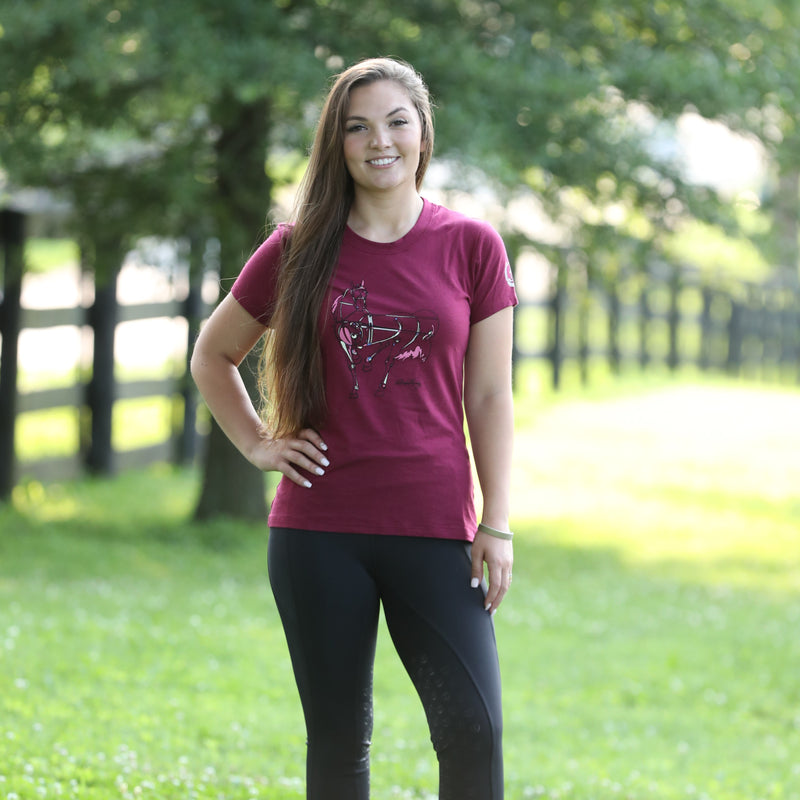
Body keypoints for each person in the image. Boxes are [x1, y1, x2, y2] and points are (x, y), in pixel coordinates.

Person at [191, 56, 517, 800]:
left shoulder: (472, 246)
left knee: (475, 729)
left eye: (397, 121)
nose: (381, 141)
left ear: (423, 133)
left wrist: (496, 522)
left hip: (435, 526)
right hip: (319, 532)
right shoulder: (298, 248)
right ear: (335, 145)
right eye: (358, 127)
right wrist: (256, 442)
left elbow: (492, 394)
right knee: (339, 741)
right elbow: (213, 355)